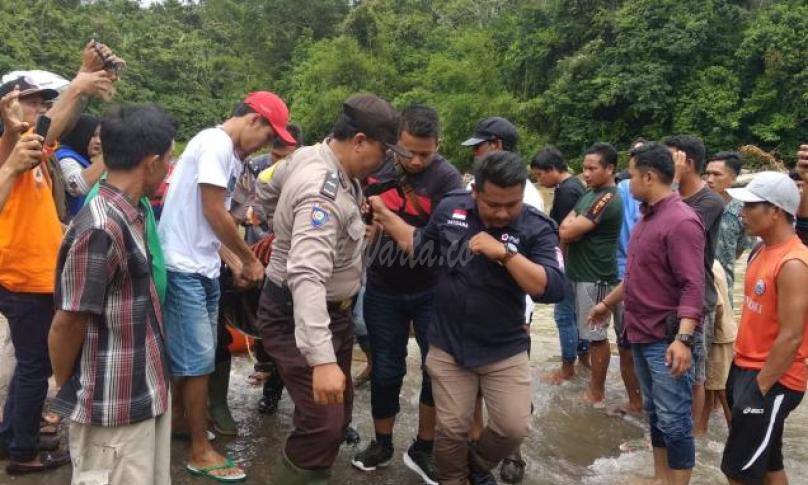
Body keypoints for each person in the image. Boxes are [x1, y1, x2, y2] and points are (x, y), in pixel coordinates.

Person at [370, 151, 564, 485]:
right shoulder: (450, 210)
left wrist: (505, 254)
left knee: (513, 427)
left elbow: (553, 288)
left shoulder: (537, 226)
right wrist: (385, 216)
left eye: (511, 204)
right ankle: (454, 479)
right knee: (451, 430)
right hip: (448, 344)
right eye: (493, 204)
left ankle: (475, 466)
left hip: (504, 347)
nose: (502, 212)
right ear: (475, 192)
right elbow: (420, 247)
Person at [254, 94, 410, 483]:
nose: (386, 161)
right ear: (358, 141)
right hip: (299, 312)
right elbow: (306, 276)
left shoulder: (309, 155)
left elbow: (265, 186)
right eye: (383, 150)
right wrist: (322, 361)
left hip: (332, 311)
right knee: (324, 423)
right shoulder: (320, 195)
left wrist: (284, 230)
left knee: (337, 412)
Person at [158, 91, 295, 481]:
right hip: (184, 266)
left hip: (200, 264)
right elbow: (213, 211)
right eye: (268, 137)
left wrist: (234, 260)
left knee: (191, 356)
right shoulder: (215, 143)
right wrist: (250, 259)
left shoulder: (230, 155)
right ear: (254, 120)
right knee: (199, 361)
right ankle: (200, 451)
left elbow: (210, 226)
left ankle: (181, 422)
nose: (266, 145)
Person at [0, 42, 121, 475]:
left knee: (33, 364)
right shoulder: (7, 150)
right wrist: (80, 83)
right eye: (29, 100)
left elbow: (55, 124)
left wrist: (81, 82)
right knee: (35, 366)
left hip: (33, 275)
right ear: (7, 106)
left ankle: (14, 432)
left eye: (38, 101)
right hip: (24, 278)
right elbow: (48, 128)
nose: (38, 107)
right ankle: (23, 451)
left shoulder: (30, 148)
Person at [48, 104, 175, 485]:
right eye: (169, 160)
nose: (170, 168)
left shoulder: (132, 212)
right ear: (151, 163)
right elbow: (67, 322)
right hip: (110, 408)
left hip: (144, 391)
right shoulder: (101, 227)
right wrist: (75, 386)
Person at [351, 104, 462, 484]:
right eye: (408, 151)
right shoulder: (376, 167)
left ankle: (423, 448)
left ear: (438, 145)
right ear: (395, 140)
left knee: (437, 368)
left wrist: (387, 218)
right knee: (386, 369)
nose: (415, 160)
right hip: (382, 286)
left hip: (432, 287)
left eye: (425, 153)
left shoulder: (448, 180)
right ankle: (382, 443)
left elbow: (442, 240)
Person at [589, 142, 704, 485]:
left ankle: (677, 482)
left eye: (633, 175)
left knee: (674, 418)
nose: (629, 181)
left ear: (650, 177)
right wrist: (607, 303)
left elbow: (692, 286)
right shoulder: (646, 215)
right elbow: (637, 274)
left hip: (665, 339)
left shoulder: (681, 221)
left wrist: (683, 339)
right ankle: (660, 477)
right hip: (639, 332)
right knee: (656, 413)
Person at [207, 123, 304, 436]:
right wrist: (241, 260)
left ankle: (283, 395)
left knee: (293, 335)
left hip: (295, 263)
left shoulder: (310, 175)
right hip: (256, 259)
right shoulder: (254, 169)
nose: (278, 164)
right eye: (274, 155)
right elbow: (228, 217)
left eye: (285, 158)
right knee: (261, 328)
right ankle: (261, 392)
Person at [460, 115, 541, 483]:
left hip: (511, 314)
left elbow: (535, 264)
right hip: (474, 312)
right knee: (475, 388)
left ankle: (510, 455)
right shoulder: (476, 189)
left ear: (496, 145)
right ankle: (477, 451)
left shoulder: (529, 197)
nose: (475, 153)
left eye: (479, 146)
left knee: (510, 396)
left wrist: (525, 313)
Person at [721, 171, 808, 485]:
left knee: (738, 472)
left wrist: (758, 389)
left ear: (775, 211)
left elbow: (792, 335)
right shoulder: (760, 250)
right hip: (747, 368)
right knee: (770, 463)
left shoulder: (794, 263)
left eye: (751, 206)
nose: (742, 213)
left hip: (774, 379)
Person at [665, 135, 724, 425]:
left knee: (695, 373)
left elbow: (679, 227)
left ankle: (696, 434)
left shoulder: (709, 201)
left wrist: (671, 184)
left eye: (669, 158)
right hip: (668, 297)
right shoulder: (670, 196)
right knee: (670, 368)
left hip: (697, 299)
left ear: (685, 163)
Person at [559, 142, 623, 407]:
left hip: (595, 274)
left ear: (610, 169)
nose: (586, 173)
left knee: (596, 335)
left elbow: (568, 231)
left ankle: (597, 391)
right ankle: (590, 381)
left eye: (592, 168)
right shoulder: (589, 193)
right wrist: (570, 226)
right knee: (588, 331)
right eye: (584, 168)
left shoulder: (607, 198)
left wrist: (571, 227)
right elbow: (565, 225)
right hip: (578, 271)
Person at [531, 146, 587, 384]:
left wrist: (557, 263)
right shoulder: (575, 186)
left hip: (568, 262)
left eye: (540, 175)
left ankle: (567, 368)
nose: (539, 180)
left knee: (564, 316)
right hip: (579, 262)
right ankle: (584, 361)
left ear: (552, 169)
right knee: (579, 315)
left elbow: (566, 232)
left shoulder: (566, 191)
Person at [608, 139, 645, 416]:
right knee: (628, 345)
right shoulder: (622, 189)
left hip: (628, 275)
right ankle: (637, 402)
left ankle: (637, 402)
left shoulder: (621, 189)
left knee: (630, 346)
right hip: (626, 276)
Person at [695, 261, 737, 434]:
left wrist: (708, 340)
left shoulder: (706, 265)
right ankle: (702, 431)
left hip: (719, 338)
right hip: (725, 333)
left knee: (721, 389)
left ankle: (735, 435)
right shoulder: (714, 261)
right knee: (713, 388)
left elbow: (717, 307)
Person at [705, 151, 751, 301]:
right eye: (708, 174)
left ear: (733, 178)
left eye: (717, 174)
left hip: (724, 290)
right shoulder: (697, 206)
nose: (710, 179)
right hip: (698, 289)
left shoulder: (744, 211)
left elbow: (741, 248)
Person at [56, 114, 103, 218]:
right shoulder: (65, 158)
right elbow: (76, 186)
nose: (98, 141)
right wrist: (107, 158)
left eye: (101, 136)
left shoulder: (91, 159)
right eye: (93, 135)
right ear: (81, 133)